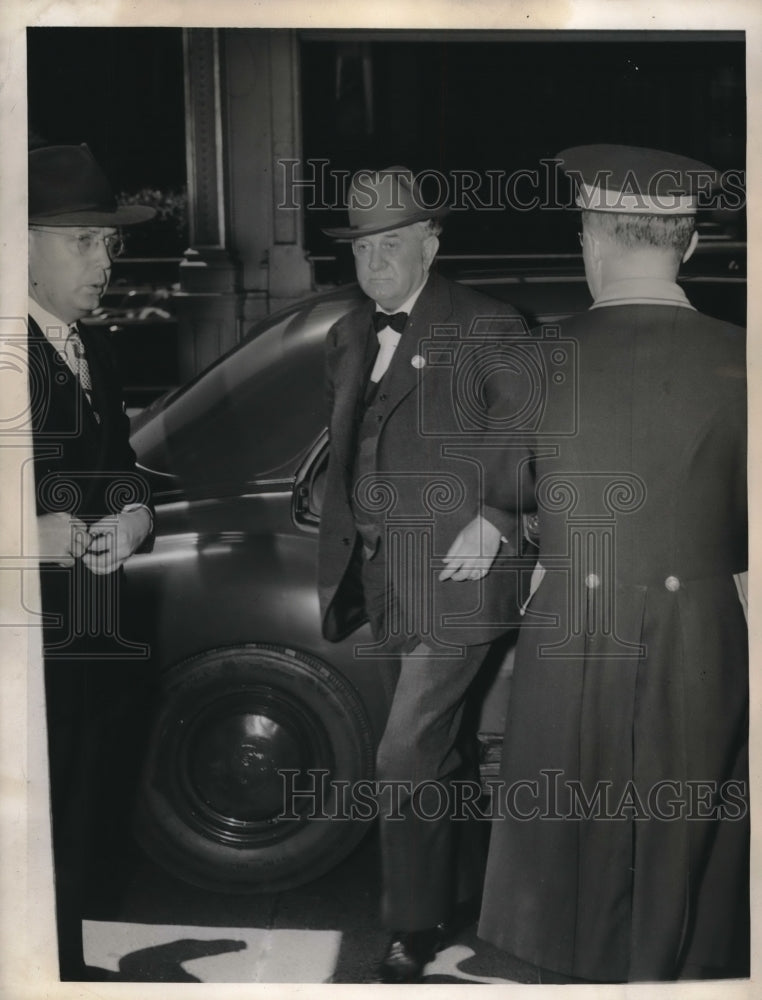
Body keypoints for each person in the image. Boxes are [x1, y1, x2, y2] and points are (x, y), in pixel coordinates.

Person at [478, 144, 748, 982]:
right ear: (691, 243)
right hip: (703, 630)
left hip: (573, 623)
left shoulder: (535, 359)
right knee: (693, 851)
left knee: (569, 858)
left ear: (590, 237)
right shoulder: (749, 357)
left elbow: (503, 488)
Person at [318, 166, 529, 982]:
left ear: (431, 245)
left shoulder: (489, 325)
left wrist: (502, 516)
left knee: (405, 751)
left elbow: (532, 430)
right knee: (439, 751)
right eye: (364, 245)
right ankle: (467, 894)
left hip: (460, 579)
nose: (374, 262)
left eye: (392, 244)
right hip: (384, 579)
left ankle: (411, 927)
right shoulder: (346, 337)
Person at [27, 143, 156, 980]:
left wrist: (137, 517)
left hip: (82, 651)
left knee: (72, 831)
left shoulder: (87, 348)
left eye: (109, 242)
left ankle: (62, 971)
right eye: (82, 241)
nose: (104, 260)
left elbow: (118, 472)